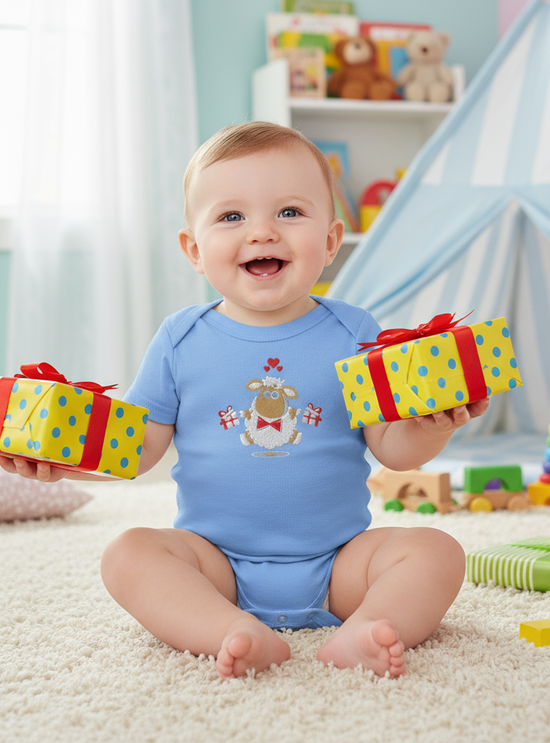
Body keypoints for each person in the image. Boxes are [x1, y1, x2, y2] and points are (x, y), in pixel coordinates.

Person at [0, 122, 489, 680]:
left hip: (339, 565)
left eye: (289, 213)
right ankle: (226, 630)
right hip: (216, 567)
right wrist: (65, 465)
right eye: (232, 217)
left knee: (437, 550)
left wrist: (434, 424)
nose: (262, 233)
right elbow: (134, 451)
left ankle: (370, 625)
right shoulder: (179, 339)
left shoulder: (354, 332)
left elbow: (394, 450)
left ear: (330, 241)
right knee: (128, 553)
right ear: (194, 249)